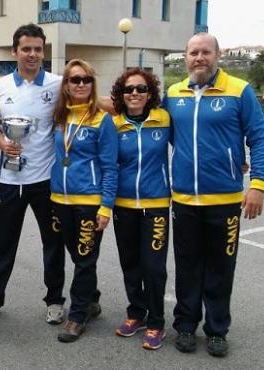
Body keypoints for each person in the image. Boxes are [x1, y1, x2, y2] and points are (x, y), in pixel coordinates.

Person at [163, 33, 264, 357]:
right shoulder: (173, 93)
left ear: (217, 55)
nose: (199, 58)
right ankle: (185, 326)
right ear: (185, 57)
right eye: (193, 52)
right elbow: (171, 137)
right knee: (187, 267)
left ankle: (216, 330)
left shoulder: (239, 90)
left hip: (224, 201)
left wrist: (257, 184)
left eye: (205, 52)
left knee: (221, 269)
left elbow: (260, 138)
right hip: (183, 200)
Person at [0, 23, 66, 326]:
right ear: (15, 51)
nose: (32, 54)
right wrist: (2, 142)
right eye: (26, 48)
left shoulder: (57, 84)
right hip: (9, 181)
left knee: (52, 243)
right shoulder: (0, 86)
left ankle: (54, 300)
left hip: (46, 181)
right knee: (2, 244)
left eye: (38, 49)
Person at [50, 59, 118, 342]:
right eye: (74, 79)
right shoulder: (59, 116)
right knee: (77, 255)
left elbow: (111, 166)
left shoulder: (102, 120)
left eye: (85, 79)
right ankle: (90, 299)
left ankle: (77, 316)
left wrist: (106, 206)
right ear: (65, 84)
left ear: (92, 84)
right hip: (59, 200)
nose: (80, 84)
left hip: (89, 201)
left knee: (85, 259)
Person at [109, 68, 171, 350]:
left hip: (156, 204)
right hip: (123, 206)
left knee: (154, 267)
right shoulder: (114, 124)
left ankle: (157, 322)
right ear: (122, 95)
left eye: (141, 89)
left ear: (150, 94)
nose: (135, 93)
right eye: (129, 89)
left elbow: (191, 145)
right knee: (130, 263)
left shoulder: (165, 119)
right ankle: (137, 313)